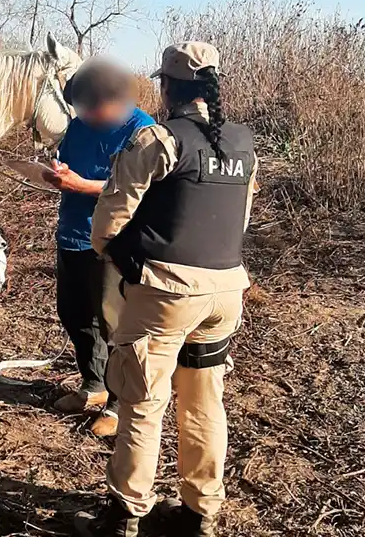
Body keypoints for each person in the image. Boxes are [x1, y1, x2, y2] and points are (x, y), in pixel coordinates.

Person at [74, 42, 259, 537]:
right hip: (225, 294)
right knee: (203, 403)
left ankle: (125, 514)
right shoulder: (243, 143)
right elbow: (237, 222)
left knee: (142, 402)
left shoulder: (158, 140)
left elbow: (106, 225)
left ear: (168, 86)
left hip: (167, 295)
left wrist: (126, 261)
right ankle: (201, 513)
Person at [42, 57, 154, 437]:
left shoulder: (143, 132)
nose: (84, 114)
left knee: (115, 324)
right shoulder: (78, 125)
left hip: (113, 242)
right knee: (74, 315)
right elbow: (70, 166)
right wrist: (56, 175)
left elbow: (140, 190)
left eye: (91, 106)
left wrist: (82, 185)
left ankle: (118, 405)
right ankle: (93, 385)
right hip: (72, 235)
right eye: (79, 106)